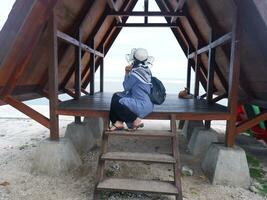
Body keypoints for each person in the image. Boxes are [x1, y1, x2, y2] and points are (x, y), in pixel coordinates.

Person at [108, 48, 154, 131]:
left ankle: (134, 120)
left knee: (117, 101)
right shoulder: (147, 70)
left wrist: (126, 72)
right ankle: (119, 122)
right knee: (116, 96)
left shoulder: (135, 73)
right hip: (149, 104)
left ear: (134, 59)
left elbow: (126, 87)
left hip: (141, 105)